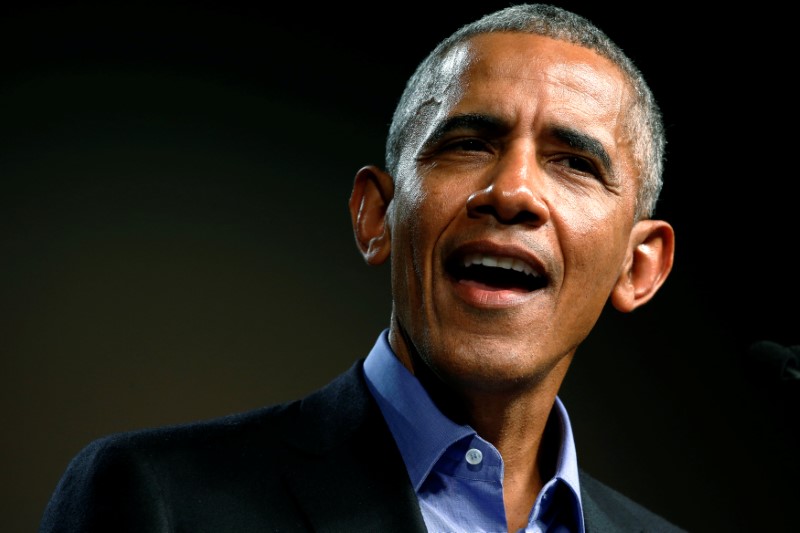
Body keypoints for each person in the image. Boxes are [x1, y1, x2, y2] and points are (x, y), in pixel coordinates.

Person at [39, 4, 686, 532]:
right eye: (467, 144)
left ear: (638, 266)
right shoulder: (155, 498)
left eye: (575, 162)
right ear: (376, 215)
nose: (512, 190)